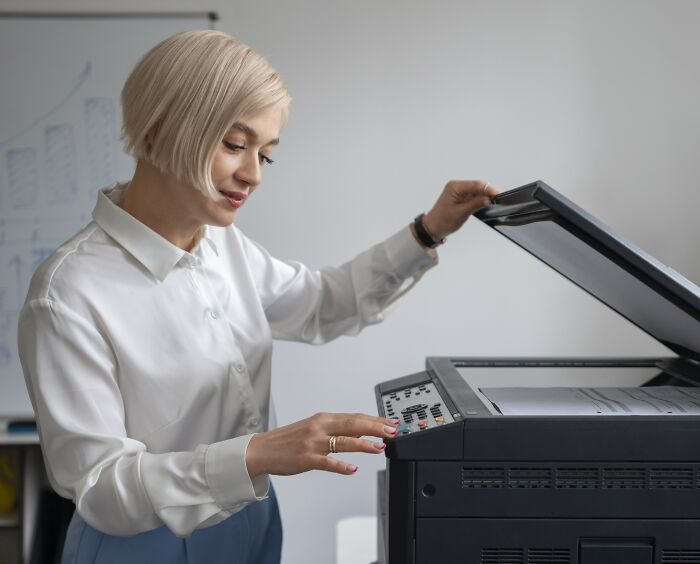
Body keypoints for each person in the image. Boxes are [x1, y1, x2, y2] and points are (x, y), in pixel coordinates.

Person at [17, 30, 498, 564]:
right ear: (156, 133)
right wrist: (256, 454)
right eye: (234, 144)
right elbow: (101, 487)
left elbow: (321, 304)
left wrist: (429, 231)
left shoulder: (223, 245)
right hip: (139, 546)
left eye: (266, 156)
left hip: (252, 520)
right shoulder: (68, 293)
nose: (252, 175)